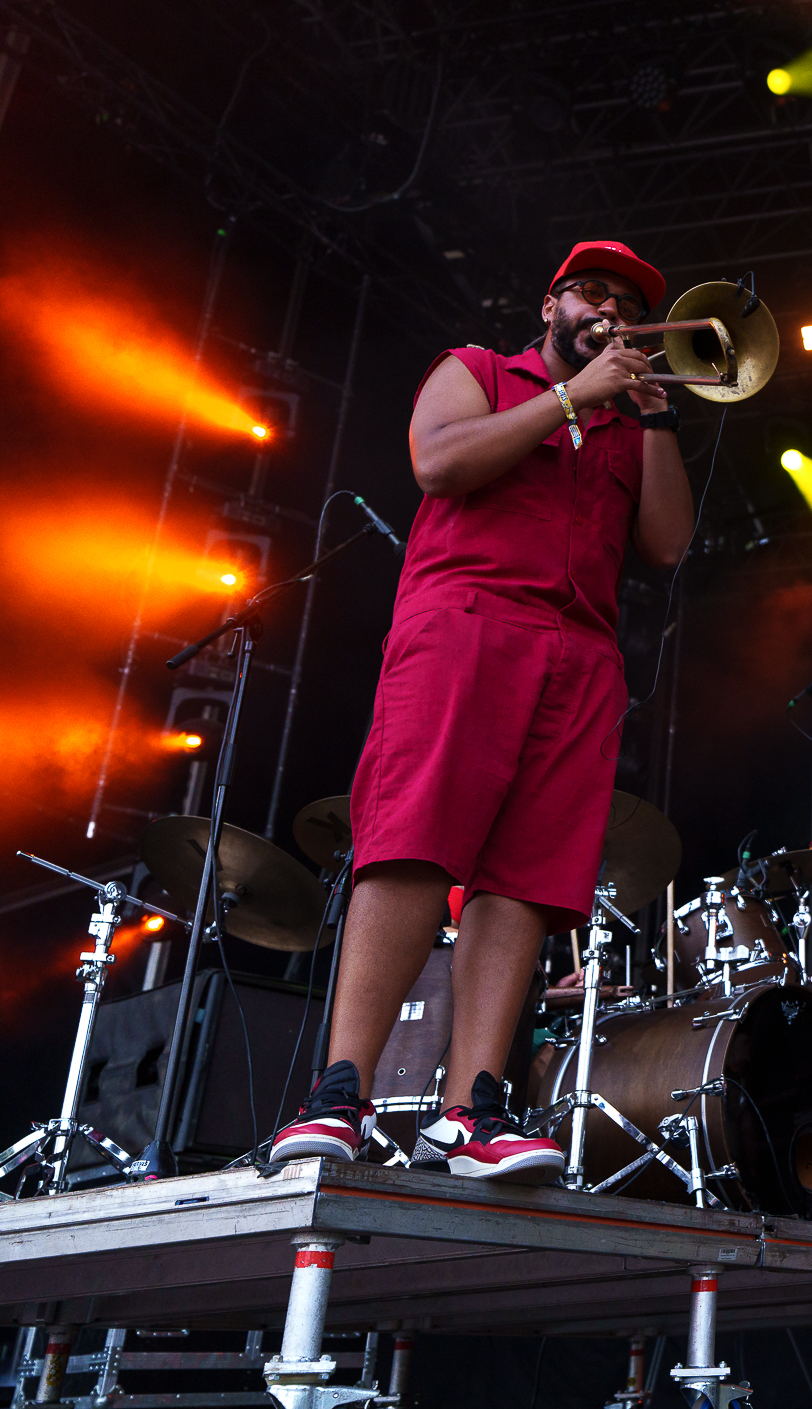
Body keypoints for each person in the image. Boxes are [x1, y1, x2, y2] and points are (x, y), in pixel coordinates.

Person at [269, 241, 694, 1182]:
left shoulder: (627, 426)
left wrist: (656, 415)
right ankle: (339, 1094)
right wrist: (572, 398)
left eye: (629, 304)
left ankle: (472, 1112)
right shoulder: (478, 371)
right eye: (593, 292)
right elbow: (439, 463)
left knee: (526, 880)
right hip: (465, 624)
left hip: (579, 655)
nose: (611, 311)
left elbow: (666, 543)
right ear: (551, 305)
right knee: (414, 841)